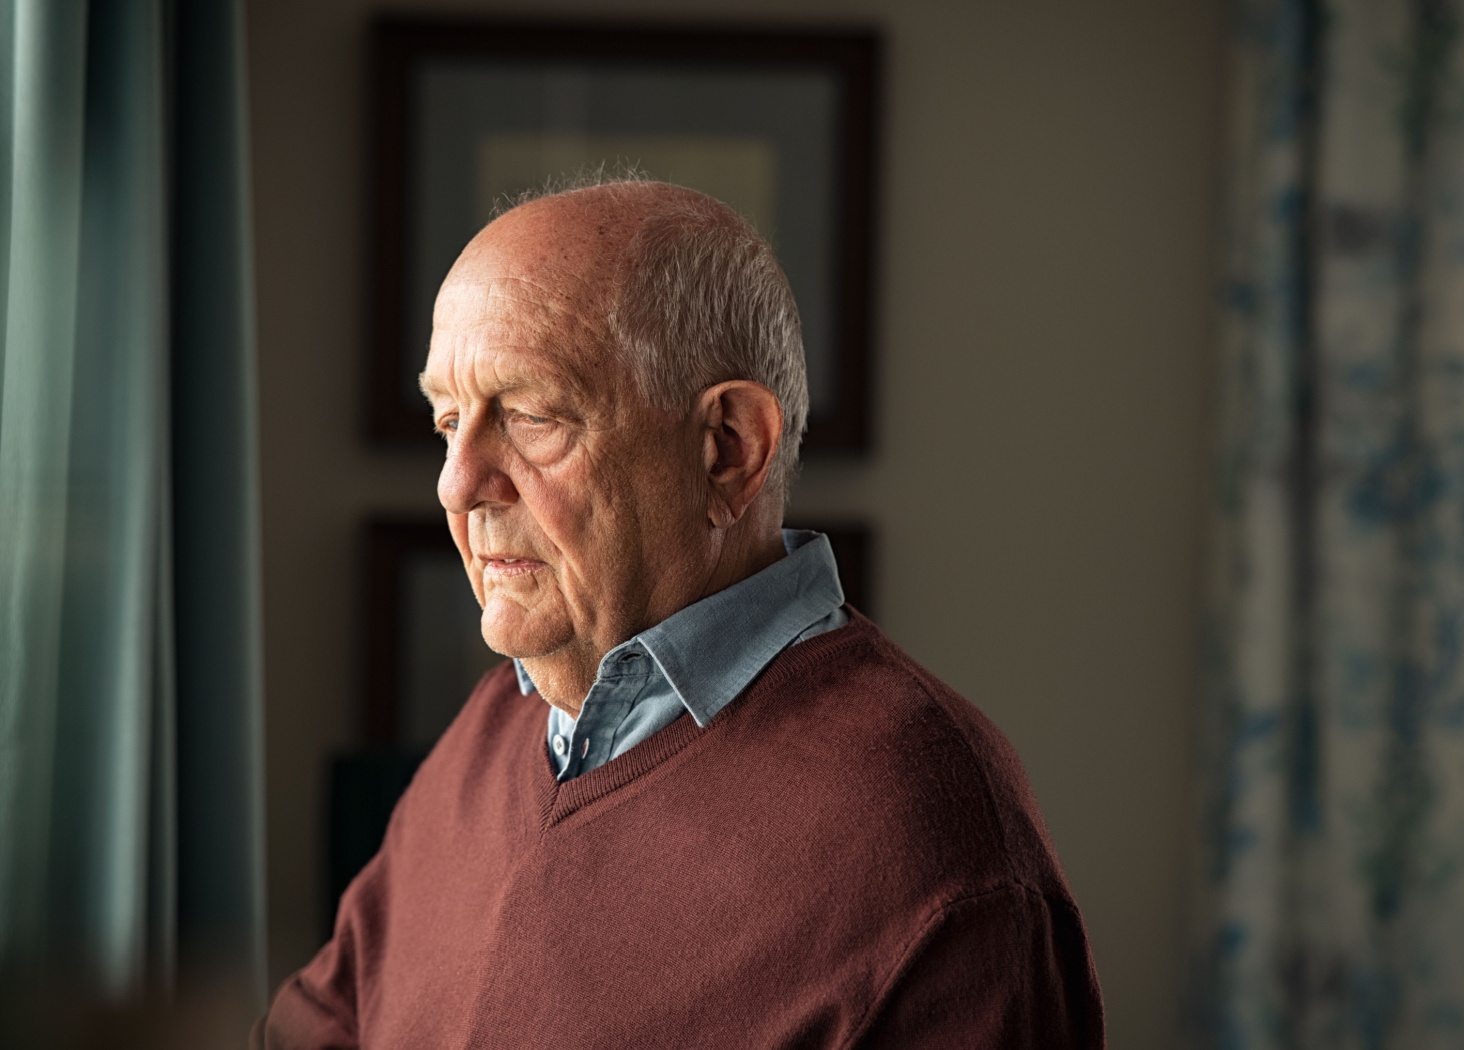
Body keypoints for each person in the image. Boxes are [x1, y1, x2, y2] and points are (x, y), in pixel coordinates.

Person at [259, 178, 1104, 1048]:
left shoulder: (936, 846)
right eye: (448, 422)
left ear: (729, 450)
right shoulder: (493, 729)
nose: (457, 483)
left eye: (532, 415)